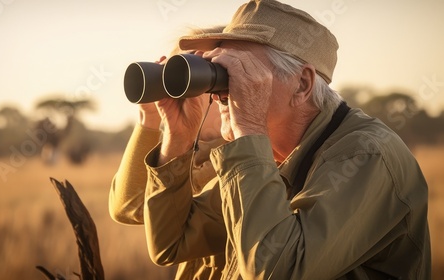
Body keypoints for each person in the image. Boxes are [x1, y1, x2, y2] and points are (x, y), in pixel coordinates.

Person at [141, 0, 431, 279]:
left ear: (302, 84)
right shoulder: (275, 157)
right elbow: (171, 242)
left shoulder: (365, 155)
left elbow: (277, 271)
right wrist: (178, 138)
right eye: (218, 69)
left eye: (241, 71)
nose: (218, 91)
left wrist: (249, 128)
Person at [109, 27, 228, 279]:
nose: (179, 91)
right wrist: (149, 117)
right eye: (172, 77)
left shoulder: (242, 157)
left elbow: (136, 207)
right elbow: (127, 208)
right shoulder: (189, 153)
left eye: (189, 75)